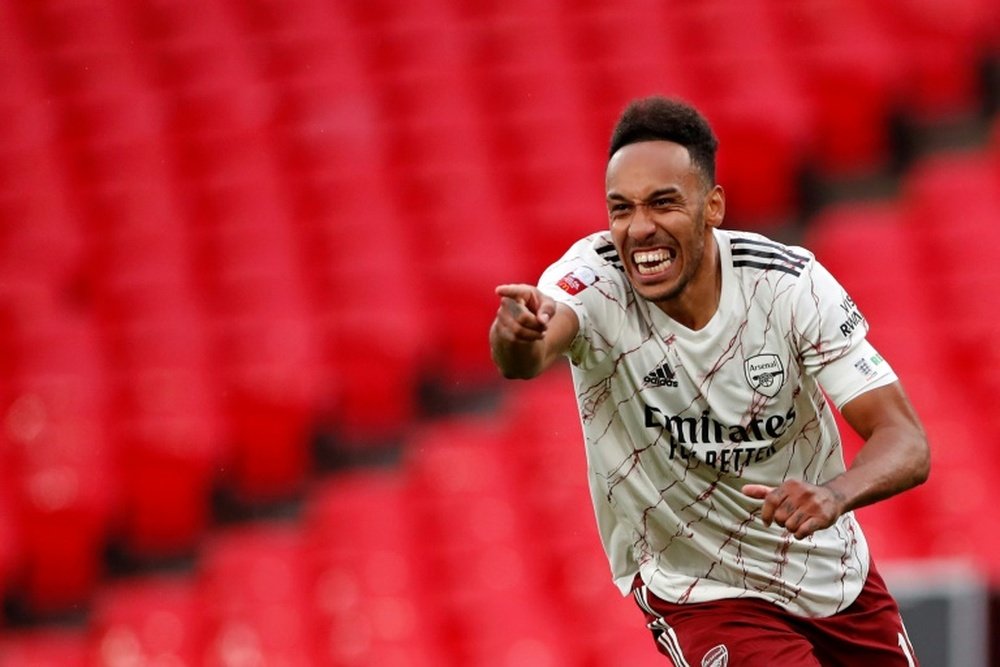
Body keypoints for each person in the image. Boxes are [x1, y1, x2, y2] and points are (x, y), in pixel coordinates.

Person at [489, 96, 930, 666]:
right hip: (700, 589)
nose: (639, 229)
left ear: (712, 206)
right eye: (620, 209)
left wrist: (832, 495)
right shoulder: (594, 282)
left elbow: (906, 441)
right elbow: (529, 350)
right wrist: (518, 336)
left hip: (832, 576)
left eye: (663, 204)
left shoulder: (788, 287)